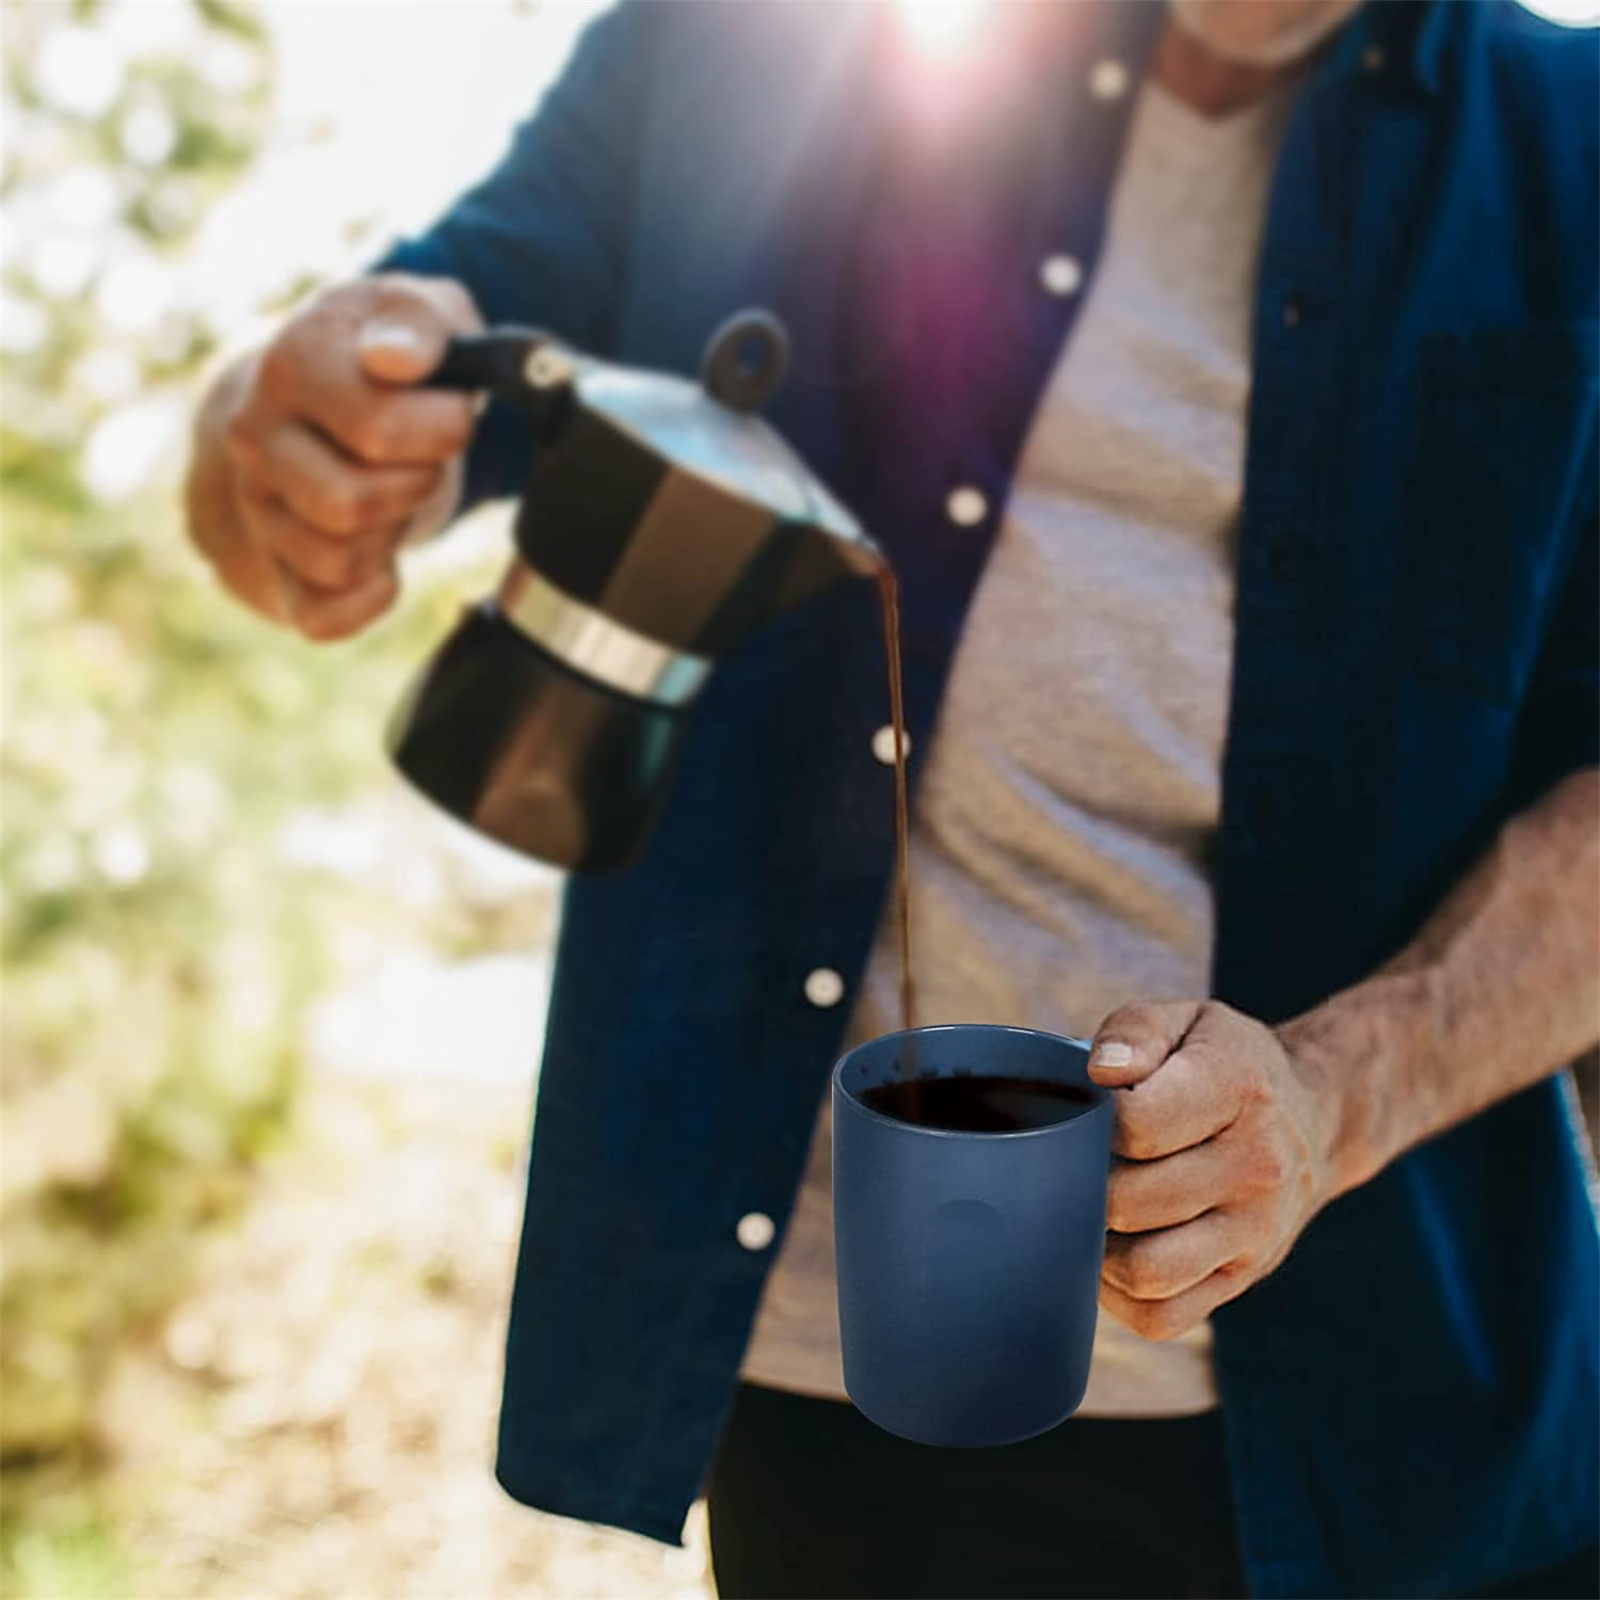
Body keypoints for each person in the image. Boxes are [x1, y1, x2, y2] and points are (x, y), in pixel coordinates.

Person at [184, 1, 1600, 1595]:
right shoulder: (746, 48)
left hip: (1416, 1429)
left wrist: (1343, 1090)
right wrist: (285, 437)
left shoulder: (1578, 143)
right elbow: (346, 404)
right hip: (835, 1403)